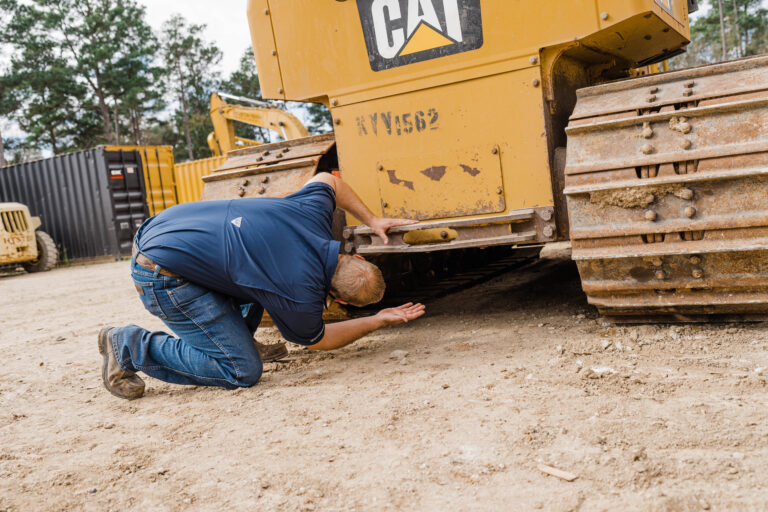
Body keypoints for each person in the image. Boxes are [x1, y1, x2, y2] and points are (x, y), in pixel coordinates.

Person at [98, 172, 426, 400]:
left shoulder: (312, 217)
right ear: (338, 298)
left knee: (256, 273)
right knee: (241, 370)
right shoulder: (299, 294)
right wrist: (378, 319)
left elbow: (329, 180)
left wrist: (372, 219)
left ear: (354, 257)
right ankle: (129, 346)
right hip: (163, 275)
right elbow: (319, 340)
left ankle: (237, 339)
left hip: (167, 229)